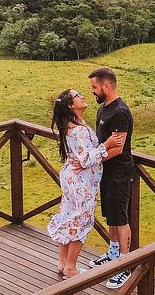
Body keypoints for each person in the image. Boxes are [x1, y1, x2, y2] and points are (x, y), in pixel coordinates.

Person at [47, 89, 125, 278]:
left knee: (67, 215)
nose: (83, 96)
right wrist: (107, 145)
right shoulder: (79, 130)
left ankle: (63, 263)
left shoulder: (72, 124)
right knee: (81, 219)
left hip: (71, 178)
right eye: (78, 96)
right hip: (81, 182)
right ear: (71, 105)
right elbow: (85, 159)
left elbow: (80, 157)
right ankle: (71, 268)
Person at [86, 66, 135, 289]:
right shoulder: (103, 110)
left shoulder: (120, 112)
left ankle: (125, 265)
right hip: (106, 172)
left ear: (106, 86)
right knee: (111, 216)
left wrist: (92, 159)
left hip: (119, 173)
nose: (93, 92)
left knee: (121, 218)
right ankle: (113, 253)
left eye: (95, 87)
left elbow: (117, 147)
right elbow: (104, 143)